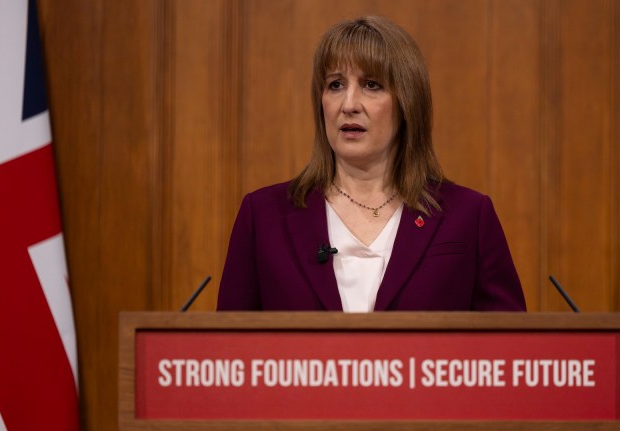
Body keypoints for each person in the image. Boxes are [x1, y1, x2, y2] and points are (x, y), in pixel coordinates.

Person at [217, 16, 525, 312]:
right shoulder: (263, 216)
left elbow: (509, 351)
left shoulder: (468, 216)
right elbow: (229, 352)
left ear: (407, 102)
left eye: (372, 85)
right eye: (335, 85)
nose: (349, 104)